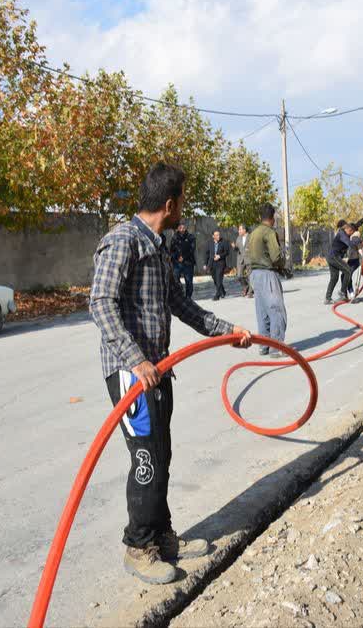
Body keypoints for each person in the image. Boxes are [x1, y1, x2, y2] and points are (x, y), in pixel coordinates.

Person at [89, 162, 251, 585]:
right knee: (146, 458)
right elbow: (100, 303)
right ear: (169, 203)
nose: (185, 207)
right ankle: (138, 548)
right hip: (131, 376)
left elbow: (182, 305)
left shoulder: (156, 245)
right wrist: (135, 359)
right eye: (183, 199)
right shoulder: (122, 240)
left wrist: (226, 331)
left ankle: (162, 538)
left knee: (161, 454)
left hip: (157, 372)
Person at [246, 203, 288, 357]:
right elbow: (276, 257)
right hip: (267, 274)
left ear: (260, 217)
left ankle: (264, 345)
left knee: (262, 311)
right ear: (273, 218)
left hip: (254, 274)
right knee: (277, 310)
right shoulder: (269, 232)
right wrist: (283, 266)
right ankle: (276, 347)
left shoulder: (253, 232)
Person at [326, 204, 363, 304]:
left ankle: (327, 298)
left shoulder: (350, 228)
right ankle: (342, 293)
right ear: (348, 230)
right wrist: (362, 238)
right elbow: (350, 244)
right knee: (347, 271)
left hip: (331, 257)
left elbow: (358, 224)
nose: (351, 234)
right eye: (351, 232)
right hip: (334, 256)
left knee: (334, 277)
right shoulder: (342, 234)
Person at [169, 222, 196, 298]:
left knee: (189, 281)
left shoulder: (191, 237)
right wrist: (177, 257)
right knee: (175, 280)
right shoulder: (174, 237)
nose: (182, 229)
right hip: (177, 263)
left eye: (183, 228)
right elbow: (172, 250)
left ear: (185, 228)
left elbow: (192, 249)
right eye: (180, 228)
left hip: (188, 262)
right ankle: (180, 294)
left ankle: (188, 297)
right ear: (178, 228)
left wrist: (183, 257)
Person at [205, 230, 230, 300]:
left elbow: (227, 252)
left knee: (219, 278)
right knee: (215, 279)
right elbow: (207, 254)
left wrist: (219, 256)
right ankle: (223, 291)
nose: (218, 236)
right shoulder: (209, 243)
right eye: (216, 235)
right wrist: (205, 264)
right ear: (213, 236)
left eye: (219, 235)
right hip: (212, 264)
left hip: (220, 263)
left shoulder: (224, 242)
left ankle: (217, 295)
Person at [233, 224, 252, 298]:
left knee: (250, 276)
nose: (239, 231)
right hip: (241, 259)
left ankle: (250, 292)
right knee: (239, 276)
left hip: (249, 259)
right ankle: (246, 286)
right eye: (239, 229)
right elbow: (237, 249)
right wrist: (234, 247)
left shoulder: (251, 237)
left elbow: (254, 246)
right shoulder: (238, 238)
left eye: (240, 229)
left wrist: (249, 250)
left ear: (244, 230)